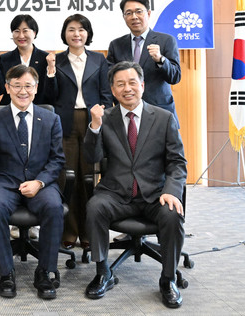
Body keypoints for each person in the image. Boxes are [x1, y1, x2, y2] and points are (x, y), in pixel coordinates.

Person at [83, 61, 187, 309]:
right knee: (95, 207)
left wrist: (172, 191)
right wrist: (95, 127)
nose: (127, 88)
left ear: (142, 85)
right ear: (112, 90)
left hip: (155, 194)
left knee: (172, 213)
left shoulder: (164, 117)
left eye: (132, 83)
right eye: (120, 84)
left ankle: (168, 279)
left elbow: (177, 162)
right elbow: (91, 158)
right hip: (116, 193)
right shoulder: (105, 118)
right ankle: (103, 272)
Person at [0, 64, 66, 300]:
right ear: (7, 88)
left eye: (28, 85)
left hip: (40, 182)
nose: (23, 91)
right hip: (4, 181)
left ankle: (45, 271)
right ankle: (6, 273)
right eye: (17, 86)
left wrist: (40, 182)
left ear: (36, 88)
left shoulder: (51, 119)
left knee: (54, 207)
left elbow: (57, 159)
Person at [44, 14, 113, 249]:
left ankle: (89, 232)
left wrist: (103, 118)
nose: (76, 34)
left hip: (92, 120)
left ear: (88, 34)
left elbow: (106, 94)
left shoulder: (99, 59)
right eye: (71, 29)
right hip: (65, 122)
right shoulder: (56, 60)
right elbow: (49, 96)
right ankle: (69, 231)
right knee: (67, 177)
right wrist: (51, 71)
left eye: (81, 29)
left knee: (90, 177)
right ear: (65, 34)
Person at [106, 0, 181, 125]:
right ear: (124, 17)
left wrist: (161, 60)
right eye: (129, 13)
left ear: (149, 13)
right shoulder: (116, 45)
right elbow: (110, 80)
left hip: (159, 113)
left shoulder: (166, 41)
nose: (134, 16)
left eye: (138, 11)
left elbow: (175, 77)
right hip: (126, 114)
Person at [0, 14, 51, 106]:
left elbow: (50, 92)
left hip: (39, 108)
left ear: (34, 33)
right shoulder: (4, 59)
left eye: (25, 31)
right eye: (17, 31)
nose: (21, 35)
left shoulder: (46, 59)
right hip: (10, 109)